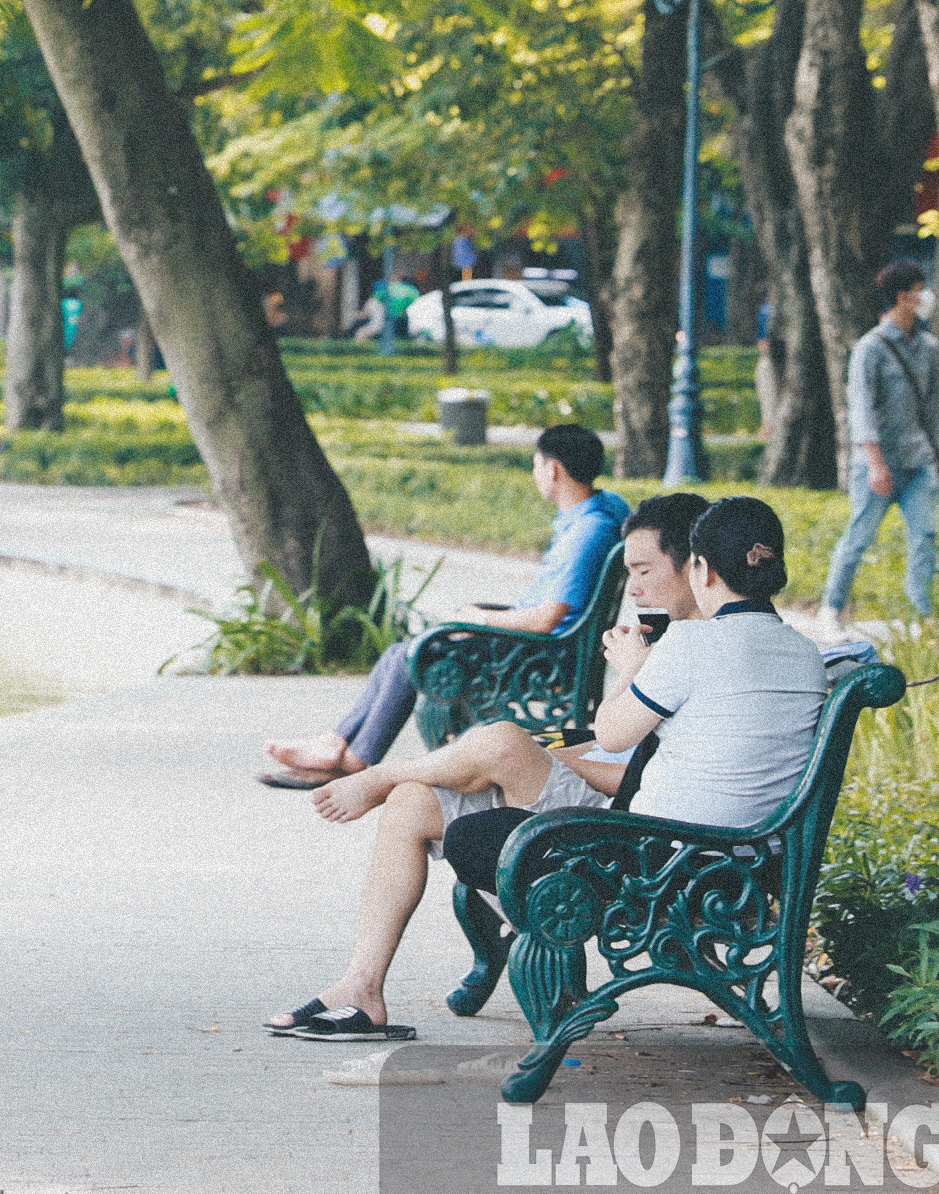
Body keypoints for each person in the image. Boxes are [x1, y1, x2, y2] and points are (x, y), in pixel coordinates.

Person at [262, 492, 723, 1041]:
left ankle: (379, 772)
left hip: (631, 828)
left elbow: (651, 779)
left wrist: (615, 690)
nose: (637, 589)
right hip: (607, 797)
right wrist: (565, 745)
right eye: (630, 574)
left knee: (502, 743)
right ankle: (361, 991)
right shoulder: (668, 639)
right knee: (415, 803)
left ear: (695, 563)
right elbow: (623, 745)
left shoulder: (705, 651)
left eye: (644, 571)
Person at [258, 423, 624, 788]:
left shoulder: (587, 533)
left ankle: (355, 759)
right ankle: (337, 743)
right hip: (538, 649)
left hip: (544, 658)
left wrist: (482, 619)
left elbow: (547, 619)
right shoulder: (596, 513)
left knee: (410, 657)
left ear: (553, 469)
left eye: (535, 465)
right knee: (402, 652)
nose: (535, 474)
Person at [825, 258, 939, 625]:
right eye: (919, 290)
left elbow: (933, 407)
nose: (926, 296)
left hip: (918, 458)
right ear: (901, 296)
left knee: (925, 537)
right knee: (859, 537)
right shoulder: (870, 348)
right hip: (879, 464)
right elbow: (860, 410)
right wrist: (876, 464)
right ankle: (831, 607)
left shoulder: (930, 347)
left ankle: (922, 615)